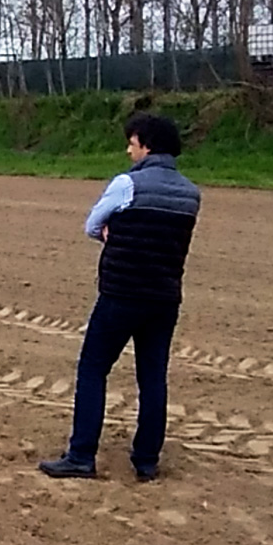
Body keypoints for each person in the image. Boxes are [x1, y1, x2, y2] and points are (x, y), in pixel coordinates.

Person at [39, 112, 202, 482]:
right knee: (153, 376)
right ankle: (146, 460)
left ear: (147, 145)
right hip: (165, 297)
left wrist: (112, 233)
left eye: (132, 143)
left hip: (121, 293)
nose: (129, 151)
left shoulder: (127, 184)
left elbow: (92, 225)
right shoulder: (191, 194)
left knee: (93, 368)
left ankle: (81, 455)